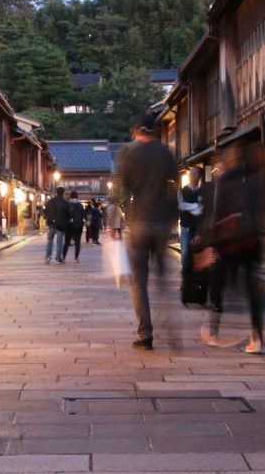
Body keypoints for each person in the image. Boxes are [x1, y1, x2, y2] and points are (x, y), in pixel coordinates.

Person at [112, 112, 178, 351]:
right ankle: (172, 329)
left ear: (137, 130)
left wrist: (117, 220)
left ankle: (145, 334)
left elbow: (119, 190)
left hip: (139, 222)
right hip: (161, 223)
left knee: (139, 281)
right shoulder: (166, 154)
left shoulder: (129, 153)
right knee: (162, 278)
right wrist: (173, 217)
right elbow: (174, 188)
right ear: (155, 130)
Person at [196, 144, 264, 354]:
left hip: (230, 241)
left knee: (217, 284)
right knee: (252, 289)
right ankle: (257, 337)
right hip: (252, 240)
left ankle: (214, 333)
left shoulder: (225, 181)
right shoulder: (255, 179)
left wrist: (209, 245)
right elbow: (259, 210)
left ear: (228, 161)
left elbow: (219, 215)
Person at [178, 166, 206, 273]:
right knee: (185, 252)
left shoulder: (202, 191)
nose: (194, 175)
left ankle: (194, 277)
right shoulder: (182, 191)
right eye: (192, 173)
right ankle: (185, 275)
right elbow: (181, 206)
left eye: (196, 173)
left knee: (197, 254)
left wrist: (189, 207)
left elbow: (202, 209)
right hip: (185, 228)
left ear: (199, 176)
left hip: (198, 228)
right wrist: (196, 206)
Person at [43, 186, 69, 264]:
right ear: (63, 193)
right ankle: (58, 258)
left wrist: (50, 219)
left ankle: (48, 257)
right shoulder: (64, 203)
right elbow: (68, 214)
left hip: (51, 224)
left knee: (50, 241)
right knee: (59, 242)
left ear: (56, 193)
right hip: (60, 225)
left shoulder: (50, 201)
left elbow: (46, 211)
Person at [63, 191, 86, 263]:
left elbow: (65, 215)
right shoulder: (80, 205)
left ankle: (63, 257)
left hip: (69, 226)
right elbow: (83, 215)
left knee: (67, 242)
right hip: (78, 225)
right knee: (77, 242)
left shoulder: (68, 205)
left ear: (70, 197)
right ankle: (76, 258)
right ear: (77, 197)